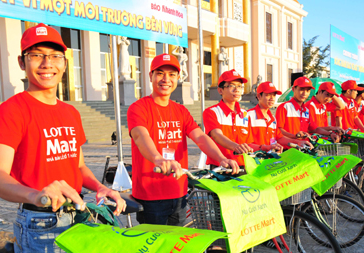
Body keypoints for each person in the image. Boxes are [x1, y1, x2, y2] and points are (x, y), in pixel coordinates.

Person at [0, 23, 126, 253]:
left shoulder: (70, 113)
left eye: (55, 55)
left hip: (80, 216)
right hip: (40, 222)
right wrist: (38, 195)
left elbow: (79, 165)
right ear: (21, 62)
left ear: (64, 63)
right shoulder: (13, 110)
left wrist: (100, 187)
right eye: (36, 54)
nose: (46, 63)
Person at [127, 54, 238, 225]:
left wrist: (222, 158)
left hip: (179, 193)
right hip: (150, 195)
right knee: (156, 249)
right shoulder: (138, 108)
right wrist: (158, 159)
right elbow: (140, 136)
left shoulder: (180, 110)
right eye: (160, 73)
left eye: (172, 75)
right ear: (151, 76)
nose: (166, 79)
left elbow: (200, 137)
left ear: (178, 78)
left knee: (177, 249)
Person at [203, 69, 257, 167]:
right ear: (220, 90)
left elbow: (249, 143)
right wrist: (236, 147)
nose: (237, 90)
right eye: (231, 86)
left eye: (239, 86)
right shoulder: (211, 112)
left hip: (242, 167)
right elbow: (217, 136)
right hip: (221, 167)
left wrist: (265, 148)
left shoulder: (245, 114)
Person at [247, 81, 312, 152]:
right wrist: (265, 148)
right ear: (259, 96)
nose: (272, 98)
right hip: (253, 159)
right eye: (268, 95)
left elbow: (279, 138)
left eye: (274, 95)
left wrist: (298, 142)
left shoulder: (272, 118)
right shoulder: (248, 115)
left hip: (269, 159)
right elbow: (245, 142)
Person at [275, 76, 325, 145]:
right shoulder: (284, 107)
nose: (304, 93)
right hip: (288, 149)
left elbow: (314, 129)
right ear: (293, 89)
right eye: (301, 89)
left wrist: (331, 132)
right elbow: (278, 130)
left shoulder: (306, 110)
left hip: (304, 147)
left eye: (307, 90)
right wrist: (295, 136)